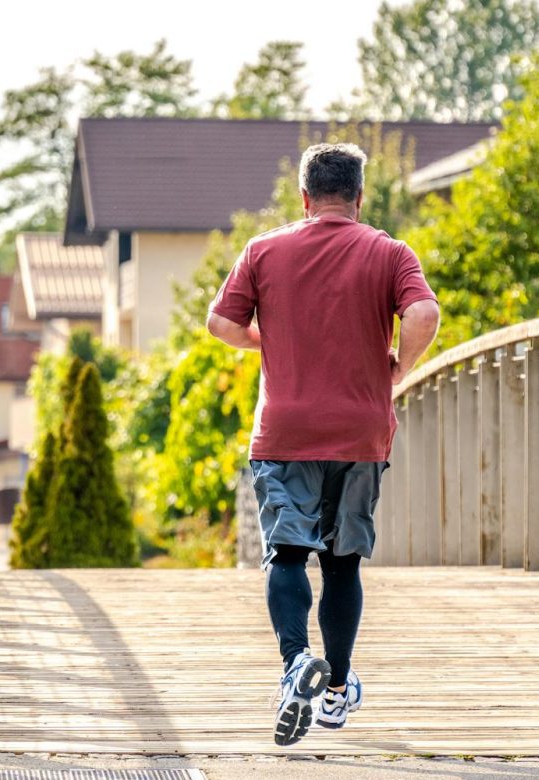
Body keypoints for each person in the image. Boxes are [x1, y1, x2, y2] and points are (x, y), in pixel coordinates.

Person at [206, 142, 440, 746]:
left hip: (285, 431)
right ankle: (335, 692)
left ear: (304, 198)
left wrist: (273, 340)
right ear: (359, 198)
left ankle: (293, 667)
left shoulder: (264, 250)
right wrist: (398, 370)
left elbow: (221, 323)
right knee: (341, 563)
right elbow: (423, 316)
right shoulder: (389, 252)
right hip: (361, 433)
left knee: (286, 554)